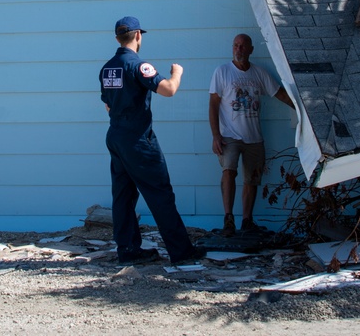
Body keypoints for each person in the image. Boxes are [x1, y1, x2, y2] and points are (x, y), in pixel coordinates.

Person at [99, 16, 199, 265]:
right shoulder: (138, 65)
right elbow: (168, 89)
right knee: (160, 193)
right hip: (138, 141)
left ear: (117, 38)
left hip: (116, 137)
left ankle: (128, 250)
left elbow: (108, 107)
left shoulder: (107, 68)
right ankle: (181, 251)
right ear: (138, 36)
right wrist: (177, 74)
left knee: (123, 196)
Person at [209, 33, 294, 236]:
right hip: (229, 135)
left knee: (252, 179)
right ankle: (228, 219)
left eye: (242, 46)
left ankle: (247, 221)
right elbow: (213, 105)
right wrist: (215, 135)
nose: (238, 50)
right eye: (235, 45)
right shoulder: (222, 72)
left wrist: (301, 107)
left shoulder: (259, 74)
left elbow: (279, 93)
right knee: (228, 170)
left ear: (250, 50)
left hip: (254, 137)